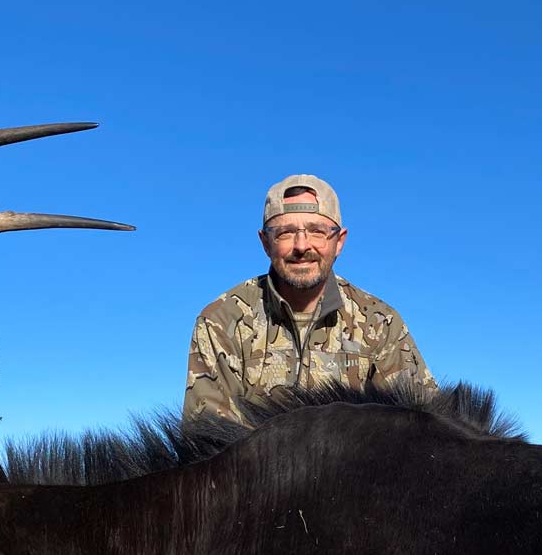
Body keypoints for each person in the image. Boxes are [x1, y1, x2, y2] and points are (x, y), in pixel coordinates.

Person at [183, 174, 435, 422]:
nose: (302, 246)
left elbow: (425, 427)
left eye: (317, 231)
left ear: (339, 241)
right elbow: (208, 440)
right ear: (265, 243)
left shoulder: (380, 324)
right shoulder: (222, 320)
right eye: (285, 232)